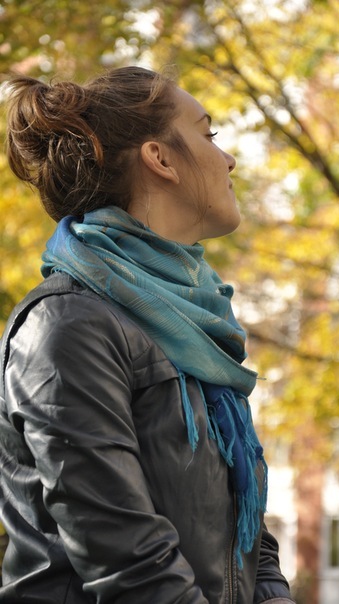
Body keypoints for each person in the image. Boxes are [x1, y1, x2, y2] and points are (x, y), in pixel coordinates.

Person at [0, 66, 295, 603]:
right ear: (160, 159)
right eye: (209, 135)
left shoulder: (194, 325)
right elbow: (131, 565)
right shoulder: (68, 326)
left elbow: (245, 532)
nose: (229, 159)